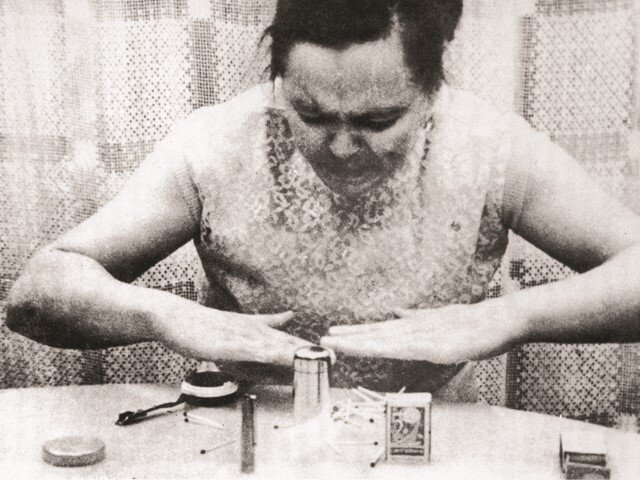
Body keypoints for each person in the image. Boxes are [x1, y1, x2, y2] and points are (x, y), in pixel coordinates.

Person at [6, 0, 640, 401]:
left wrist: (509, 319)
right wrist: (160, 316)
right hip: (253, 437)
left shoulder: (491, 146)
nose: (340, 148)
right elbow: (35, 294)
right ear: (279, 80)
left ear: (431, 91)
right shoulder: (215, 143)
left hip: (428, 440)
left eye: (377, 120)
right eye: (308, 113)